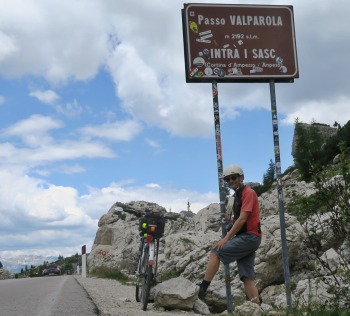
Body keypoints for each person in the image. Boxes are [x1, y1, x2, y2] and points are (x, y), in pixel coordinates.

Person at [198, 164, 262, 304]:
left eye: (233, 177)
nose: (231, 181)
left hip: (249, 237)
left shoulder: (248, 193)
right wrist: (230, 220)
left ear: (241, 178)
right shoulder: (238, 195)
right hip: (248, 237)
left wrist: (226, 239)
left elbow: (243, 218)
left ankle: (202, 289)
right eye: (228, 179)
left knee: (216, 251)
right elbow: (240, 220)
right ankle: (258, 308)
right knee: (246, 277)